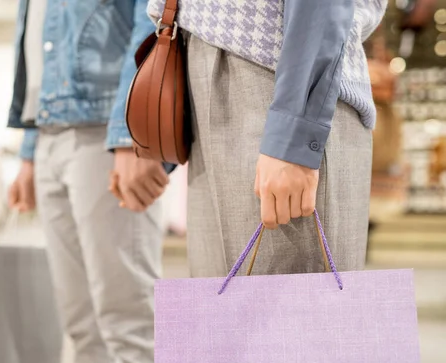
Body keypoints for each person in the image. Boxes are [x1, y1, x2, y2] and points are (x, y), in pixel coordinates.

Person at [120, 0, 387, 276]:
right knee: (220, 311)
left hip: (277, 72)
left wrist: (294, 134)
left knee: (292, 312)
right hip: (200, 55)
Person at [7, 1, 167, 363]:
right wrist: (29, 152)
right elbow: (42, 55)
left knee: (128, 319)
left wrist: (129, 131)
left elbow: (149, 18)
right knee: (81, 324)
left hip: (104, 135)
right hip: (48, 134)